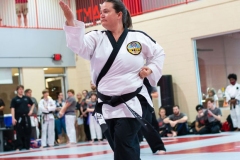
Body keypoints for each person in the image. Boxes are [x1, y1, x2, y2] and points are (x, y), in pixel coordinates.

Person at [60, 0, 165, 159]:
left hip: (132, 102)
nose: (101, 15)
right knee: (121, 146)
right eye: (101, 11)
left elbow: (158, 53)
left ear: (119, 14)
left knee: (124, 142)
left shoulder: (137, 37)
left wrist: (150, 68)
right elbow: (78, 46)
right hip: (106, 105)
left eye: (106, 11)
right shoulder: (96, 38)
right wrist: (70, 21)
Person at [11, 85, 34, 151]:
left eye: (22, 89)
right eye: (20, 89)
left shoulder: (26, 98)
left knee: (28, 131)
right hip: (18, 117)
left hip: (26, 116)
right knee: (19, 131)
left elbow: (33, 104)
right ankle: (19, 147)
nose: (21, 90)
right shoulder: (14, 99)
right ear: (17, 90)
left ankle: (28, 146)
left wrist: (31, 110)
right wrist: (13, 118)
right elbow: (12, 109)